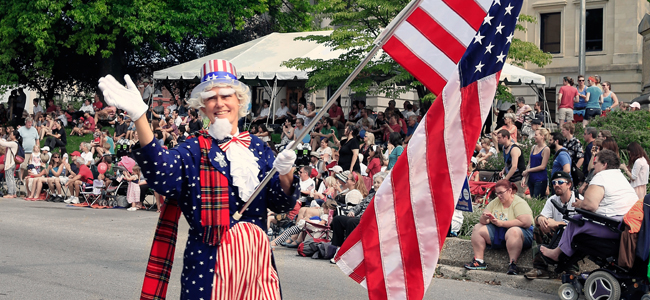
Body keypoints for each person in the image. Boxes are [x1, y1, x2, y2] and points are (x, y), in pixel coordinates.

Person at [98, 58, 300, 299]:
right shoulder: (193, 149)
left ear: (239, 101)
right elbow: (161, 173)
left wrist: (287, 171)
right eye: (211, 97)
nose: (220, 103)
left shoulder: (258, 148)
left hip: (258, 264)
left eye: (226, 95)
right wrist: (141, 117)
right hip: (210, 266)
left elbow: (281, 203)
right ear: (202, 107)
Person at [540, 150, 638, 262]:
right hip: (627, 225)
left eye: (596, 163)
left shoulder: (601, 176)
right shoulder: (621, 177)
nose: (593, 166)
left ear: (604, 164)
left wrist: (581, 204)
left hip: (613, 226)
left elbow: (590, 206)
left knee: (575, 221)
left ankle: (557, 254)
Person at [464, 179, 534, 275]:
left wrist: (502, 223)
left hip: (522, 233)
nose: (499, 196)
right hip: (500, 232)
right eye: (497, 193)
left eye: (501, 193)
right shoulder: (495, 202)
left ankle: (513, 264)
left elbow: (526, 222)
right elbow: (483, 219)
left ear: (509, 191)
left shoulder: (519, 203)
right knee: (478, 227)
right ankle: (479, 261)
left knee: (513, 231)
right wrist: (485, 218)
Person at [524, 171, 581, 279]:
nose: (556, 185)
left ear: (569, 184)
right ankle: (540, 268)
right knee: (538, 228)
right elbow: (538, 218)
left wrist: (558, 223)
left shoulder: (579, 199)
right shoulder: (552, 199)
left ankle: (572, 269)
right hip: (557, 234)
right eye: (554, 183)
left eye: (560, 182)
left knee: (572, 234)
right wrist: (541, 219)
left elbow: (581, 224)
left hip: (573, 235)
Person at [329, 172, 387, 251]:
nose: (376, 185)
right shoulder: (371, 195)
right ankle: (338, 248)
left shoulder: (385, 197)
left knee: (351, 222)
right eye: (375, 182)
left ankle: (348, 249)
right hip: (359, 217)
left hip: (371, 220)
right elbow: (359, 206)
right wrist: (352, 211)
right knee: (337, 219)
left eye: (378, 183)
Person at [522, 129, 551, 198]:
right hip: (531, 178)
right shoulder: (533, 147)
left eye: (536, 135)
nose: (534, 137)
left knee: (537, 198)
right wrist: (525, 177)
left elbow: (543, 166)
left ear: (542, 136)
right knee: (532, 197)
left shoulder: (546, 149)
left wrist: (528, 170)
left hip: (540, 179)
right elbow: (529, 163)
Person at [0, 131, 22, 198]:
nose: (10, 135)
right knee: (11, 178)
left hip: (10, 163)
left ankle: (10, 193)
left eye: (11, 134)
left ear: (14, 136)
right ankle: (14, 193)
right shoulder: (16, 143)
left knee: (9, 178)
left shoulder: (13, 143)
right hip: (12, 163)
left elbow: (2, 143)